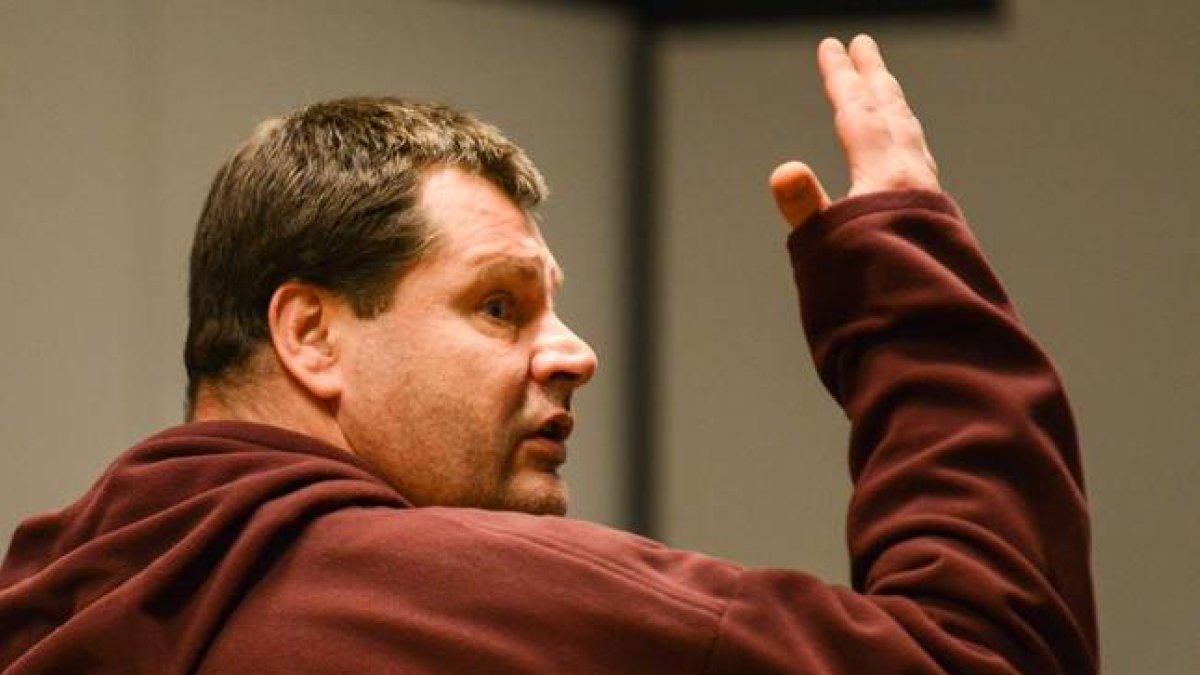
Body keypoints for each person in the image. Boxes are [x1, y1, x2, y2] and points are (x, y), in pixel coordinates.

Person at [0, 35, 1097, 674]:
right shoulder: (427, 597)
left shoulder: (57, 595)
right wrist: (912, 285)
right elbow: (986, 656)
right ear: (310, 335)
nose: (572, 354)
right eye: (497, 305)